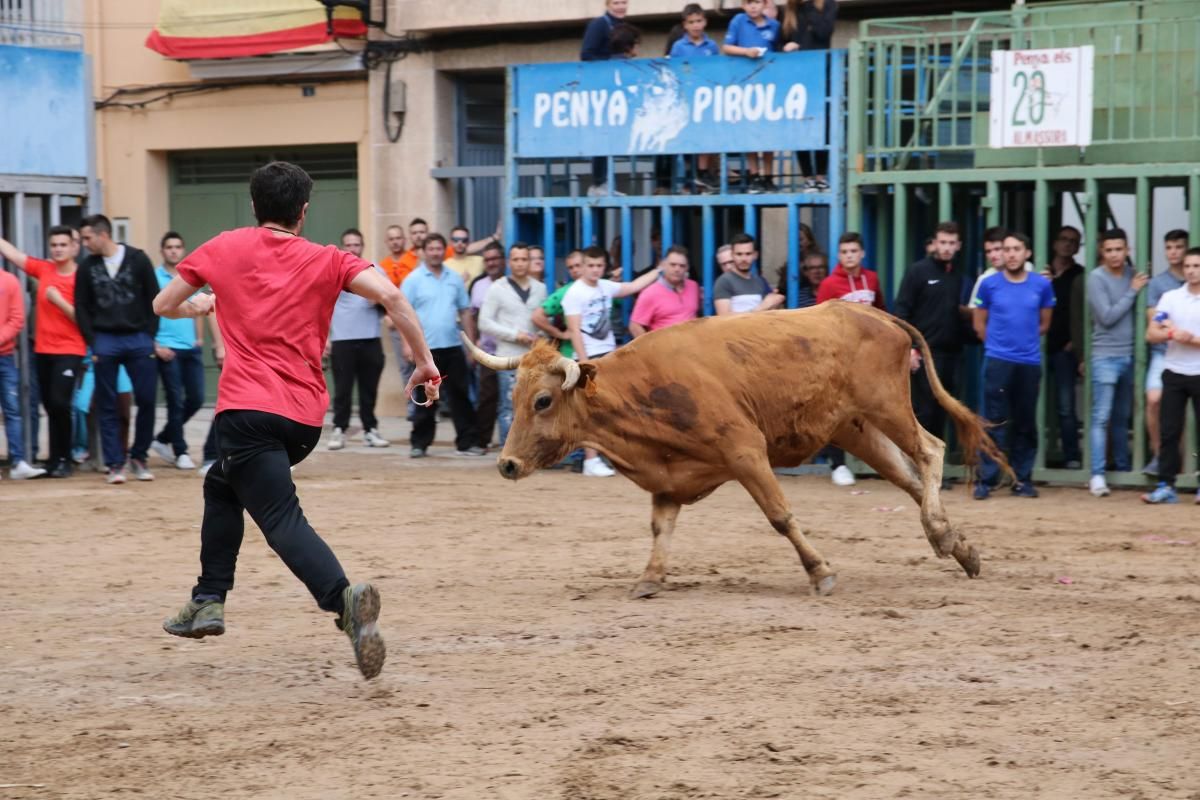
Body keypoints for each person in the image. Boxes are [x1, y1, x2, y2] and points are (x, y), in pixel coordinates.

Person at [154, 160, 440, 680]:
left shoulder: (223, 247)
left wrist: (200, 307)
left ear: (254, 205)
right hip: (305, 419)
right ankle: (207, 598)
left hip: (247, 412)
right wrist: (423, 362)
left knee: (279, 517)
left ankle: (343, 600)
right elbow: (394, 298)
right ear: (303, 212)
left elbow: (161, 304)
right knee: (222, 485)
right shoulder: (329, 258)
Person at [75, 214, 161, 484]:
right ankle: (115, 464)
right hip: (105, 340)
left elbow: (154, 298)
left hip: (138, 339)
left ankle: (139, 457)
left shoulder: (138, 259)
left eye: (87, 238)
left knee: (147, 399)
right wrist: (93, 342)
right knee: (107, 403)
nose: (84, 243)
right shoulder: (87, 267)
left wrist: (149, 336)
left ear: (103, 235)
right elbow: (81, 307)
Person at [563, 245, 662, 476]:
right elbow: (574, 331)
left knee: (611, 408)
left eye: (599, 266)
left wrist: (658, 270)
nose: (595, 270)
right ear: (583, 267)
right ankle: (590, 461)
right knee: (589, 410)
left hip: (607, 353)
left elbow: (632, 287)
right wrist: (584, 363)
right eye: (591, 266)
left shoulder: (605, 286)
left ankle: (609, 457)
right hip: (588, 355)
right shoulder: (574, 293)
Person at [972, 232, 1055, 499]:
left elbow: (1044, 324)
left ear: (1027, 253)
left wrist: (1021, 344)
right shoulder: (989, 284)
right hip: (997, 362)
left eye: (1016, 249)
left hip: (1028, 363)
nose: (1010, 254)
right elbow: (979, 323)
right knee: (992, 421)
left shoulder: (1041, 285)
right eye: (1006, 249)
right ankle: (987, 479)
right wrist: (997, 347)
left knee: (1025, 422)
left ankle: (1022, 479)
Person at [0, 226, 84, 479]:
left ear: (73, 247)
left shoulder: (82, 277)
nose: (58, 249)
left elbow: (85, 320)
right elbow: (14, 255)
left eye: (63, 244)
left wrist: (58, 300)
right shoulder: (44, 269)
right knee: (50, 405)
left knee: (60, 403)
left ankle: (65, 459)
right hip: (43, 350)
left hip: (70, 349)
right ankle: (54, 459)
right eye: (54, 245)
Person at [401, 233, 483, 458]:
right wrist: (407, 346)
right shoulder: (413, 280)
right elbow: (402, 315)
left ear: (443, 251)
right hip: (425, 351)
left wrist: (472, 345)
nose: (436, 253)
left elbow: (465, 312)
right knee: (425, 399)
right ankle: (419, 443)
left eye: (439, 249)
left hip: (454, 347)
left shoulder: (455, 278)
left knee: (461, 396)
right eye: (431, 249)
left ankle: (467, 443)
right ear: (424, 252)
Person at [895, 221, 969, 445]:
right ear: (935, 243)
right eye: (943, 242)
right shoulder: (918, 271)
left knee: (942, 412)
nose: (946, 247)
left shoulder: (959, 276)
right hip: (925, 355)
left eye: (951, 243)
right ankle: (920, 467)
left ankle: (934, 469)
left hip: (952, 355)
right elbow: (901, 313)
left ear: (959, 246)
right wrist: (911, 350)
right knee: (924, 411)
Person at [1086, 228, 1146, 498]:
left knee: (1122, 417)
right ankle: (1097, 475)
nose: (1114, 255)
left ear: (1127, 250)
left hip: (1131, 356)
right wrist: (1133, 292)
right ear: (1102, 252)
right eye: (1109, 250)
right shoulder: (1096, 278)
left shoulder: (1133, 275)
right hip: (1105, 356)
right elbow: (1107, 316)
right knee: (1101, 417)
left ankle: (1122, 469)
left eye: (1118, 249)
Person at [1142, 247, 1200, 504]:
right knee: (1169, 431)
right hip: (1174, 371)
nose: (1191, 271)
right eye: (1188, 266)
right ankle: (1166, 484)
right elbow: (1151, 333)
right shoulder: (1170, 297)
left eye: (1196, 266)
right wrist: (1171, 335)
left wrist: (1191, 339)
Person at [479, 242, 548, 446]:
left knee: (536, 406)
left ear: (530, 262)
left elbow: (543, 320)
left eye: (524, 259)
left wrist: (542, 335)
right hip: (508, 357)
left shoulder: (540, 288)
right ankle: (508, 451)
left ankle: (531, 451)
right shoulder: (497, 288)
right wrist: (514, 335)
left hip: (534, 359)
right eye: (516, 259)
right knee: (509, 407)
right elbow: (484, 322)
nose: (520, 264)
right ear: (509, 262)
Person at [327, 228, 389, 451]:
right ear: (343, 247)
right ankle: (338, 430)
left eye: (356, 244)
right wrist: (325, 338)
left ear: (362, 246)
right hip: (343, 339)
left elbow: (390, 302)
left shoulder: (375, 270)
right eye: (348, 245)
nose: (353, 248)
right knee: (343, 390)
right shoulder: (334, 270)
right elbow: (322, 305)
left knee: (369, 390)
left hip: (370, 338)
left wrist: (379, 302)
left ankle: (370, 430)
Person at [147, 231, 204, 471]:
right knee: (175, 402)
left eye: (177, 246)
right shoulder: (153, 277)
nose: (173, 250)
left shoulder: (189, 277)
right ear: (162, 251)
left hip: (189, 347)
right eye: (169, 247)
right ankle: (180, 451)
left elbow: (199, 304)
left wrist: (199, 338)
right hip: (166, 348)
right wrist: (155, 345)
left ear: (183, 250)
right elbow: (147, 311)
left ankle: (161, 439)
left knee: (197, 398)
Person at [1142, 229, 1190, 477]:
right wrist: (1175, 332)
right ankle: (1160, 456)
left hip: (1194, 356)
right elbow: (1154, 323)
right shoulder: (1159, 284)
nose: (1173, 252)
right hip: (1165, 353)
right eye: (1169, 247)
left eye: (1179, 247)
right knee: (1154, 400)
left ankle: (1184, 461)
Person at [722, 0, 781, 193]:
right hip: (745, 84)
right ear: (743, 5)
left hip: (769, 85)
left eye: (756, 2)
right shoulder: (738, 21)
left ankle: (769, 177)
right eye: (749, 2)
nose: (753, 7)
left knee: (770, 134)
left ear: (764, 4)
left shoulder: (774, 25)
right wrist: (746, 51)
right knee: (750, 132)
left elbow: (779, 54)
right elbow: (727, 47)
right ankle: (754, 175)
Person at [1042, 225, 1086, 470]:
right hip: (1035, 348)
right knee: (1030, 405)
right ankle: (1032, 458)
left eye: (1073, 241)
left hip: (1064, 350)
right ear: (1054, 243)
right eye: (1064, 239)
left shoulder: (1081, 274)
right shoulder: (1040, 272)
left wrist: (1075, 343)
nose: (1068, 244)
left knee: (1065, 406)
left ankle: (1071, 456)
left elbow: (1083, 314)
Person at [781, 0, 836, 191]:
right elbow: (781, 40)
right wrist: (786, 46)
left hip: (821, 74)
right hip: (796, 76)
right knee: (800, 125)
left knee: (822, 125)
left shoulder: (826, 5)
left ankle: (821, 176)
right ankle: (808, 177)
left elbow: (824, 32)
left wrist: (811, 8)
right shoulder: (789, 11)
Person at [0, 265, 45, 480]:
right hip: (6, 356)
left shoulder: (9, 281)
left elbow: (17, 318)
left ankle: (18, 461)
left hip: (5, 357)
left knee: (12, 410)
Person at [582, 0, 630, 197]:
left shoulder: (622, 26)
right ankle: (598, 183)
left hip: (613, 89)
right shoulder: (599, 24)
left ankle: (605, 183)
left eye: (624, 2)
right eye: (616, 2)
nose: (620, 6)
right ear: (607, 4)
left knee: (610, 135)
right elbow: (586, 54)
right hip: (599, 88)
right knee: (601, 134)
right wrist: (611, 62)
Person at [468, 241, 508, 450]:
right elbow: (473, 317)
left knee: (511, 401)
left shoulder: (511, 284)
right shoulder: (478, 285)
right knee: (487, 398)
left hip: (511, 353)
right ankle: (482, 441)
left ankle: (511, 442)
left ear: (503, 261)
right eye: (487, 260)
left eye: (495, 259)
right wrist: (474, 344)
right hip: (488, 351)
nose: (491, 263)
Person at [629, 245, 701, 336]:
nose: (677, 269)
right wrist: (651, 348)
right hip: (665, 348)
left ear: (687, 268)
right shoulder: (650, 293)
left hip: (691, 347)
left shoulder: (693, 286)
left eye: (682, 266)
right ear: (663, 265)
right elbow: (634, 326)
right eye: (672, 264)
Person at [714, 233, 784, 315]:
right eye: (739, 254)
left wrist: (775, 302)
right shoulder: (724, 281)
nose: (744, 259)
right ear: (732, 255)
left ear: (755, 255)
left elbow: (768, 311)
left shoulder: (759, 281)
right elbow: (723, 318)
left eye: (748, 254)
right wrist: (762, 307)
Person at [532, 249, 585, 356]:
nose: (574, 270)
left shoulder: (601, 286)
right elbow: (537, 316)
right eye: (570, 267)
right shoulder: (565, 292)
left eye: (578, 265)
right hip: (572, 354)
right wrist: (560, 334)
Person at [816, 231, 886, 309]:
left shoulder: (872, 277)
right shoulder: (828, 284)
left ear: (862, 253)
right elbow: (820, 315)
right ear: (839, 256)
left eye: (854, 251)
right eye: (844, 252)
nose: (849, 256)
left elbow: (881, 310)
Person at [969, 226, 1020, 306]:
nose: (993, 255)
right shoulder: (984, 279)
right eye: (988, 251)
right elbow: (976, 306)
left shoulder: (1028, 271)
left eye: (997, 249)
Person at [378, 224, 408, 288]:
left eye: (398, 238)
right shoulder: (382, 266)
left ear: (405, 240)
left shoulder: (414, 260)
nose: (395, 242)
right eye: (391, 239)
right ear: (386, 242)